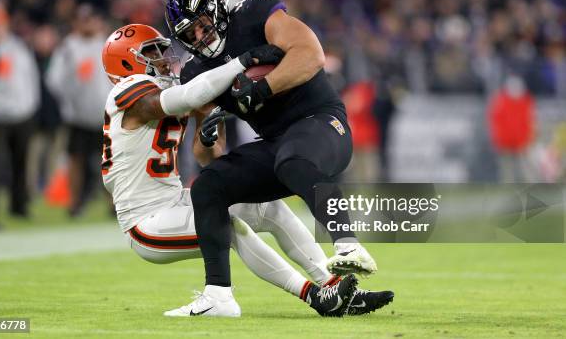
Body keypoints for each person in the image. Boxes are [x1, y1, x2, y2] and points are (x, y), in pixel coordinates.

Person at [101, 24, 392, 317]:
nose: (163, 58)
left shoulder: (169, 90)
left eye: (162, 49)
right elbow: (189, 96)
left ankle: (335, 287)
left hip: (176, 200)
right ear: (125, 62)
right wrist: (240, 62)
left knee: (269, 208)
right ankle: (312, 296)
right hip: (145, 222)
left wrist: (206, 136)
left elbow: (208, 160)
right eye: (150, 52)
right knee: (226, 224)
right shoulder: (125, 92)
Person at [165, 0, 379, 299]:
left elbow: (312, 55)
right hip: (276, 143)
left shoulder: (253, 14)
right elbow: (208, 154)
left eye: (201, 25)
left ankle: (349, 246)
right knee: (208, 185)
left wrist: (263, 88)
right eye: (188, 34)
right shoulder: (197, 71)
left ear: (216, 12)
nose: (199, 37)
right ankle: (217, 294)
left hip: (321, 122)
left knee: (293, 160)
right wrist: (207, 138)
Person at [46, 4, 111, 217]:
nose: (88, 23)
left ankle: (114, 204)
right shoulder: (68, 47)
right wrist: (69, 101)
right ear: (76, 22)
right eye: (83, 19)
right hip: (78, 117)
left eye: (91, 19)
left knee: (110, 161)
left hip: (105, 114)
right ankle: (74, 203)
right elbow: (54, 80)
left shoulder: (108, 44)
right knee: (76, 160)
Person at [0, 2, 40, 218]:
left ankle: (19, 205)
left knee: (21, 164)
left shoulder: (18, 47)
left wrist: (30, 105)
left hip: (21, 113)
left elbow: (30, 77)